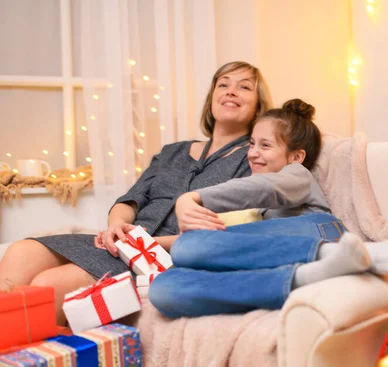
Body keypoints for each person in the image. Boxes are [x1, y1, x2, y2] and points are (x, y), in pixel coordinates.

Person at [0, 61, 273, 324]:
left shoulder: (253, 161)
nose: (231, 91)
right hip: (120, 243)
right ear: (212, 97)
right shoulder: (173, 151)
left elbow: (231, 233)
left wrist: (142, 244)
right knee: (21, 251)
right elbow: (131, 199)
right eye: (223, 84)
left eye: (244, 87)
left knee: (48, 285)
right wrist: (117, 226)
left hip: (166, 258)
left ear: (259, 106)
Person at [149, 99, 388, 318]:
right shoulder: (263, 216)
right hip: (284, 256)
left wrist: (193, 197)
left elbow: (263, 188)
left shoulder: (297, 175)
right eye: (252, 144)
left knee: (188, 246)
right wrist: (146, 243)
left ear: (296, 157)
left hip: (320, 232)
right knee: (164, 288)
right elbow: (222, 238)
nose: (253, 153)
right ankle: (308, 276)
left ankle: (336, 254)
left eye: (265, 146)